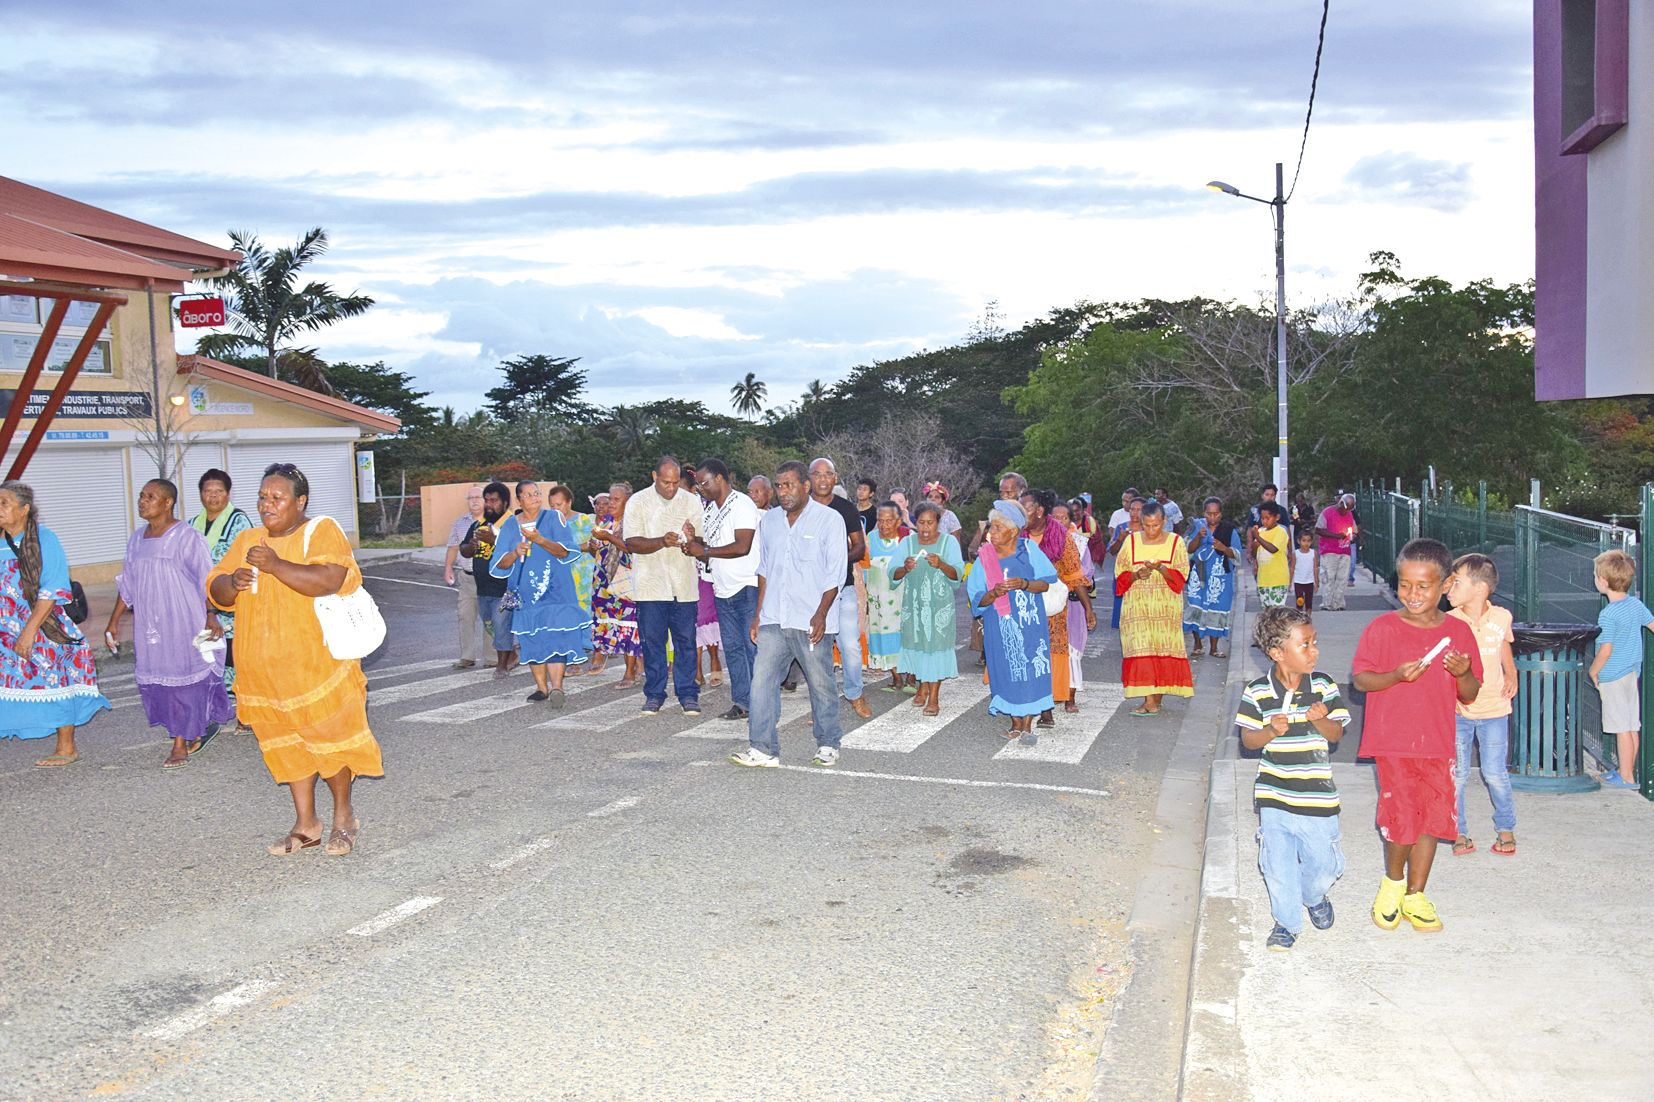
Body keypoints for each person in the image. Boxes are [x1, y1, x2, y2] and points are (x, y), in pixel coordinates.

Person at [206, 463, 382, 856]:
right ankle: (307, 824)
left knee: (331, 745)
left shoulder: (320, 530)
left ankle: (343, 818)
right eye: (263, 497)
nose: (267, 504)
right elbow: (214, 588)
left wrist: (276, 565)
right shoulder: (248, 538)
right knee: (286, 747)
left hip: (318, 670)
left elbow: (330, 580)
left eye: (277, 497)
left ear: (300, 501)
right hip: (265, 675)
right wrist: (230, 583)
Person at [1351, 538, 1481, 933]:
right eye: (1405, 584)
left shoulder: (1458, 633)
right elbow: (1360, 680)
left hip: (1438, 742)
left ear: (1445, 586)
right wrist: (1393, 676)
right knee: (1403, 817)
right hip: (1393, 741)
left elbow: (1471, 693)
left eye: (1423, 586)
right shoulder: (1383, 628)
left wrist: (1462, 674)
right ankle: (1392, 885)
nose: (1412, 593)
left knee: (1432, 819)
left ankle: (1416, 894)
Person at [1236, 606, 1351, 952]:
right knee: (1277, 863)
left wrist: (1320, 720)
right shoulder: (1257, 692)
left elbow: (1335, 736)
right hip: (1275, 793)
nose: (1315, 651)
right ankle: (1286, 922)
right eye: (1305, 645)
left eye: (1315, 642)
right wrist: (1270, 730)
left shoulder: (1324, 686)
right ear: (1277, 653)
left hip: (1317, 796)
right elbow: (1247, 741)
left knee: (1323, 864)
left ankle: (1314, 896)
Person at [106, 478, 234, 768]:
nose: (142, 501)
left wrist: (211, 614)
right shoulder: (136, 540)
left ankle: (180, 742)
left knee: (183, 679)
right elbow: (127, 584)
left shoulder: (187, 537)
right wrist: (113, 622)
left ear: (167, 503)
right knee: (160, 679)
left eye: (150, 496)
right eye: (141, 495)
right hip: (151, 626)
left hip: (184, 621)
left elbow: (207, 579)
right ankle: (192, 727)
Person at [731, 460, 848, 768]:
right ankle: (763, 748)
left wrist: (821, 614)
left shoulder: (829, 520)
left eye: (789, 485)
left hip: (811, 619)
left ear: (805, 486)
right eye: (779, 486)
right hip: (773, 617)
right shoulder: (768, 522)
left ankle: (828, 743)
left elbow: (835, 573)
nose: (783, 492)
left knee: (820, 682)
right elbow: (765, 571)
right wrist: (758, 615)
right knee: (762, 681)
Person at [0, 481, 111, 764]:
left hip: (42, 627)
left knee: (54, 681)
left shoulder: (44, 540)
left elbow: (52, 588)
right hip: (5, 629)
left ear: (24, 509)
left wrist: (29, 631)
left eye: (4, 503)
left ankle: (66, 747)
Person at [489, 482, 593, 706]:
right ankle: (541, 688)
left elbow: (566, 551)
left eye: (537, 493)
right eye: (528, 494)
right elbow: (499, 564)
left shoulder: (554, 519)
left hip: (558, 590)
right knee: (532, 637)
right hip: (526, 594)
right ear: (519, 500)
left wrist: (540, 540)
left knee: (557, 636)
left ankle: (557, 687)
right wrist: (515, 552)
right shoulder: (509, 526)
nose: (535, 497)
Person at [1446, 554, 1518, 855]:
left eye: (1456, 581)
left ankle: (1506, 828)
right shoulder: (1449, 621)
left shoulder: (1502, 617)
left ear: (1480, 588)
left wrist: (1511, 672)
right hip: (1459, 711)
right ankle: (1458, 831)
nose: (1449, 587)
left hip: (1495, 710)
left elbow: (1503, 646)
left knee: (1494, 773)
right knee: (1457, 774)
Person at [967, 499, 1057, 740]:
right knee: (1007, 669)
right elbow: (977, 599)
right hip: (1000, 625)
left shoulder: (1028, 550)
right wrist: (993, 593)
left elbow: (1047, 582)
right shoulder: (984, 558)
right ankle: (1016, 721)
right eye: (991, 527)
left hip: (1030, 624)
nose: (991, 532)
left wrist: (1024, 584)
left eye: (997, 527)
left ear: (1013, 531)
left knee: (1030, 668)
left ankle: (1026, 723)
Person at [624, 456, 704, 716]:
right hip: (650, 585)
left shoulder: (691, 501)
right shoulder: (638, 501)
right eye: (665, 482)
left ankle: (688, 694)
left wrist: (692, 539)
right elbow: (632, 542)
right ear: (654, 476)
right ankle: (655, 694)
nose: (671, 488)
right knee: (653, 642)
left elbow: (701, 541)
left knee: (686, 641)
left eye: (674, 482)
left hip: (683, 584)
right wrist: (661, 541)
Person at [685, 460, 760, 720]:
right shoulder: (710, 511)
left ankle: (761, 702)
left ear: (720, 479)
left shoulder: (742, 504)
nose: (701, 488)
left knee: (752, 648)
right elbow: (711, 552)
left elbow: (742, 546)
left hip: (746, 586)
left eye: (704, 483)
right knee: (733, 649)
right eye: (698, 485)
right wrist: (693, 541)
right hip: (722, 589)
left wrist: (703, 550)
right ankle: (742, 702)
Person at [808, 458, 872, 718]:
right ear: (809, 478)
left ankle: (855, 694)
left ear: (835, 478)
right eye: (817, 474)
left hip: (842, 587)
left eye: (828, 475)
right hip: (810, 592)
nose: (823, 479)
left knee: (850, 646)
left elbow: (859, 547)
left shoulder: (845, 508)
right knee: (816, 649)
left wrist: (836, 560)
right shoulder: (801, 507)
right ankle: (821, 703)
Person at [1116, 500, 1193, 716]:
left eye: (1156, 525)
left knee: (1161, 651)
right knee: (1141, 648)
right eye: (1147, 525)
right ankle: (1150, 701)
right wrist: (1136, 575)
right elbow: (1120, 576)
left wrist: (1161, 568)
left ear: (1164, 522)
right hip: (1137, 609)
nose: (1151, 530)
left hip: (1165, 609)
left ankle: (1155, 700)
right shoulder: (1130, 542)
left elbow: (1180, 577)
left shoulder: (1176, 542)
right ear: (1141, 523)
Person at [1023, 488, 1094, 721]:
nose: (1021, 512)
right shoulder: (1015, 535)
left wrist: (1088, 609)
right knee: (1024, 654)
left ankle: (1046, 709)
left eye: (1026, 507)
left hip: (1053, 609)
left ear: (1040, 511)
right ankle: (1024, 705)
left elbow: (1075, 574)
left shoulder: (1061, 537)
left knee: (1050, 656)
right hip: (1022, 606)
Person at [1589, 549, 1654, 790]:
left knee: (1620, 727)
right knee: (1630, 726)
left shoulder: (1608, 614)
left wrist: (1594, 671)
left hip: (1613, 675)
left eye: (1596, 575)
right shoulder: (1635, 605)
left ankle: (1627, 777)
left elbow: (1605, 651)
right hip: (1631, 673)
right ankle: (1627, 771)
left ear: (1603, 582)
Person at [893, 501, 963, 716]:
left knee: (936, 647)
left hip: (939, 608)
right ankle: (922, 686)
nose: (925, 528)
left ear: (938, 523)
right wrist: (904, 568)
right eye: (921, 523)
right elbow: (892, 575)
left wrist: (942, 564)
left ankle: (933, 697)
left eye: (930, 523)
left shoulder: (949, 542)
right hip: (913, 607)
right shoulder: (907, 542)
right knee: (920, 646)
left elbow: (957, 576)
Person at [189, 468, 253, 693]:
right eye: (208, 491)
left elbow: (244, 564)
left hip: (229, 601)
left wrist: (215, 608)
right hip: (199, 603)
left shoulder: (239, 522)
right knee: (207, 653)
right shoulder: (191, 525)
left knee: (233, 654)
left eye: (219, 491)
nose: (213, 496)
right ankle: (216, 700)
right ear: (200, 494)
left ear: (228, 494)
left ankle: (242, 703)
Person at [459, 482, 517, 676]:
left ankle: (501, 666)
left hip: (504, 586)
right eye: (487, 500)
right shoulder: (479, 524)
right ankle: (511, 654)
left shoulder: (513, 523)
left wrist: (495, 541)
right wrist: (472, 546)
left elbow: (519, 549)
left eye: (494, 500)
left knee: (501, 625)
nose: (489, 504)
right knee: (490, 624)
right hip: (482, 587)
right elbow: (464, 550)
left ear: (505, 502)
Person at [591, 481, 641, 687]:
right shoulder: (605, 523)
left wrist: (608, 537)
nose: (611, 503)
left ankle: (630, 672)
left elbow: (630, 549)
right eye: (610, 498)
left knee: (629, 626)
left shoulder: (634, 522)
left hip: (627, 584)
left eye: (616, 499)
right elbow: (598, 550)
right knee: (611, 624)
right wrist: (594, 545)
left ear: (628, 501)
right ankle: (634, 667)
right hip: (604, 583)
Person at [1183, 497, 1241, 658]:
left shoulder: (1230, 530)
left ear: (1221, 514)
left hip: (1220, 576)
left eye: (1216, 514)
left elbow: (1237, 554)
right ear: (1204, 513)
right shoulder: (1197, 527)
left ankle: (1214, 647)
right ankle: (1197, 644)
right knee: (1196, 606)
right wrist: (1198, 538)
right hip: (1199, 574)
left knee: (1218, 607)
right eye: (1209, 514)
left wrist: (1223, 548)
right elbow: (1188, 549)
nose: (1212, 518)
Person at [444, 485, 491, 669]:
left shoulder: (494, 521)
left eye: (478, 497)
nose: (474, 501)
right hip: (467, 578)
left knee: (490, 617)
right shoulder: (459, 523)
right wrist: (448, 567)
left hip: (488, 579)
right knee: (465, 616)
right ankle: (467, 656)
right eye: (470, 498)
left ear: (485, 500)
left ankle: (492, 657)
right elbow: (453, 547)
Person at [1052, 500, 1095, 695]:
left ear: (1071, 520)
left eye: (1064, 517)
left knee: (1072, 649)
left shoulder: (1079, 543)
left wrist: (1088, 609)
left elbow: (1084, 573)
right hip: (1049, 602)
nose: (1060, 521)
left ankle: (1070, 696)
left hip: (1073, 601)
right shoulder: (1042, 541)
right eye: (1056, 517)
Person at [863, 502, 909, 688]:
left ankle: (911, 676)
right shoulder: (871, 538)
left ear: (898, 521)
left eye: (889, 521)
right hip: (878, 600)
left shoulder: (907, 539)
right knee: (882, 635)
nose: (884, 525)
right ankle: (896, 676)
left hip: (901, 598)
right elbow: (864, 569)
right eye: (880, 521)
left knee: (905, 635)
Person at [1315, 493, 1359, 611]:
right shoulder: (1327, 512)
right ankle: (1327, 603)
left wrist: (1353, 536)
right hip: (1329, 550)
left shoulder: (1349, 515)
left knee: (1342, 578)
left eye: (1349, 509)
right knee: (1329, 577)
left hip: (1345, 550)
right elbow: (1318, 530)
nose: (1346, 512)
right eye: (1345, 508)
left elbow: (1354, 530)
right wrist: (1336, 536)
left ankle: (1338, 603)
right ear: (1340, 503)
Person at [1106, 496, 1145, 628]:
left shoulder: (1149, 529)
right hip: (1123, 572)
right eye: (1132, 509)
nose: (1135, 513)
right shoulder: (1121, 528)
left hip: (1143, 574)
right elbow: (1111, 551)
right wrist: (1120, 539)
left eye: (1139, 510)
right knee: (1122, 611)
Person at [1250, 502, 1291, 609]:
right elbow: (1254, 554)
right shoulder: (1260, 531)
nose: (1264, 521)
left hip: (1278, 580)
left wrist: (1257, 538)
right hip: (1263, 580)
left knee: (1277, 613)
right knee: (1266, 613)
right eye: (1262, 518)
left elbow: (1273, 549)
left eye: (1268, 518)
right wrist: (1254, 545)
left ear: (1277, 517)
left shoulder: (1281, 532)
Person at [1246, 484, 1279, 575]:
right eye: (1267, 494)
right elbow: (1250, 530)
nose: (1269, 497)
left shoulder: (1280, 510)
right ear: (1262, 495)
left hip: (1275, 544)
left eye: (1272, 495)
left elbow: (1286, 529)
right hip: (1258, 544)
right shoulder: (1254, 510)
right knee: (1259, 572)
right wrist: (1249, 550)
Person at [1291, 527, 1318, 612]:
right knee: (1299, 601)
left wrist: (1316, 582)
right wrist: (1290, 582)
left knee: (1309, 602)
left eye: (1308, 541)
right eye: (1304, 541)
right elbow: (1292, 567)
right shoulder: (1296, 553)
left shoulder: (1313, 553)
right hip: (1298, 581)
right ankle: (1299, 617)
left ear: (1311, 541)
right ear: (1299, 541)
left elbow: (1315, 568)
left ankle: (1308, 618)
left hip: (1309, 581)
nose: (1306, 543)